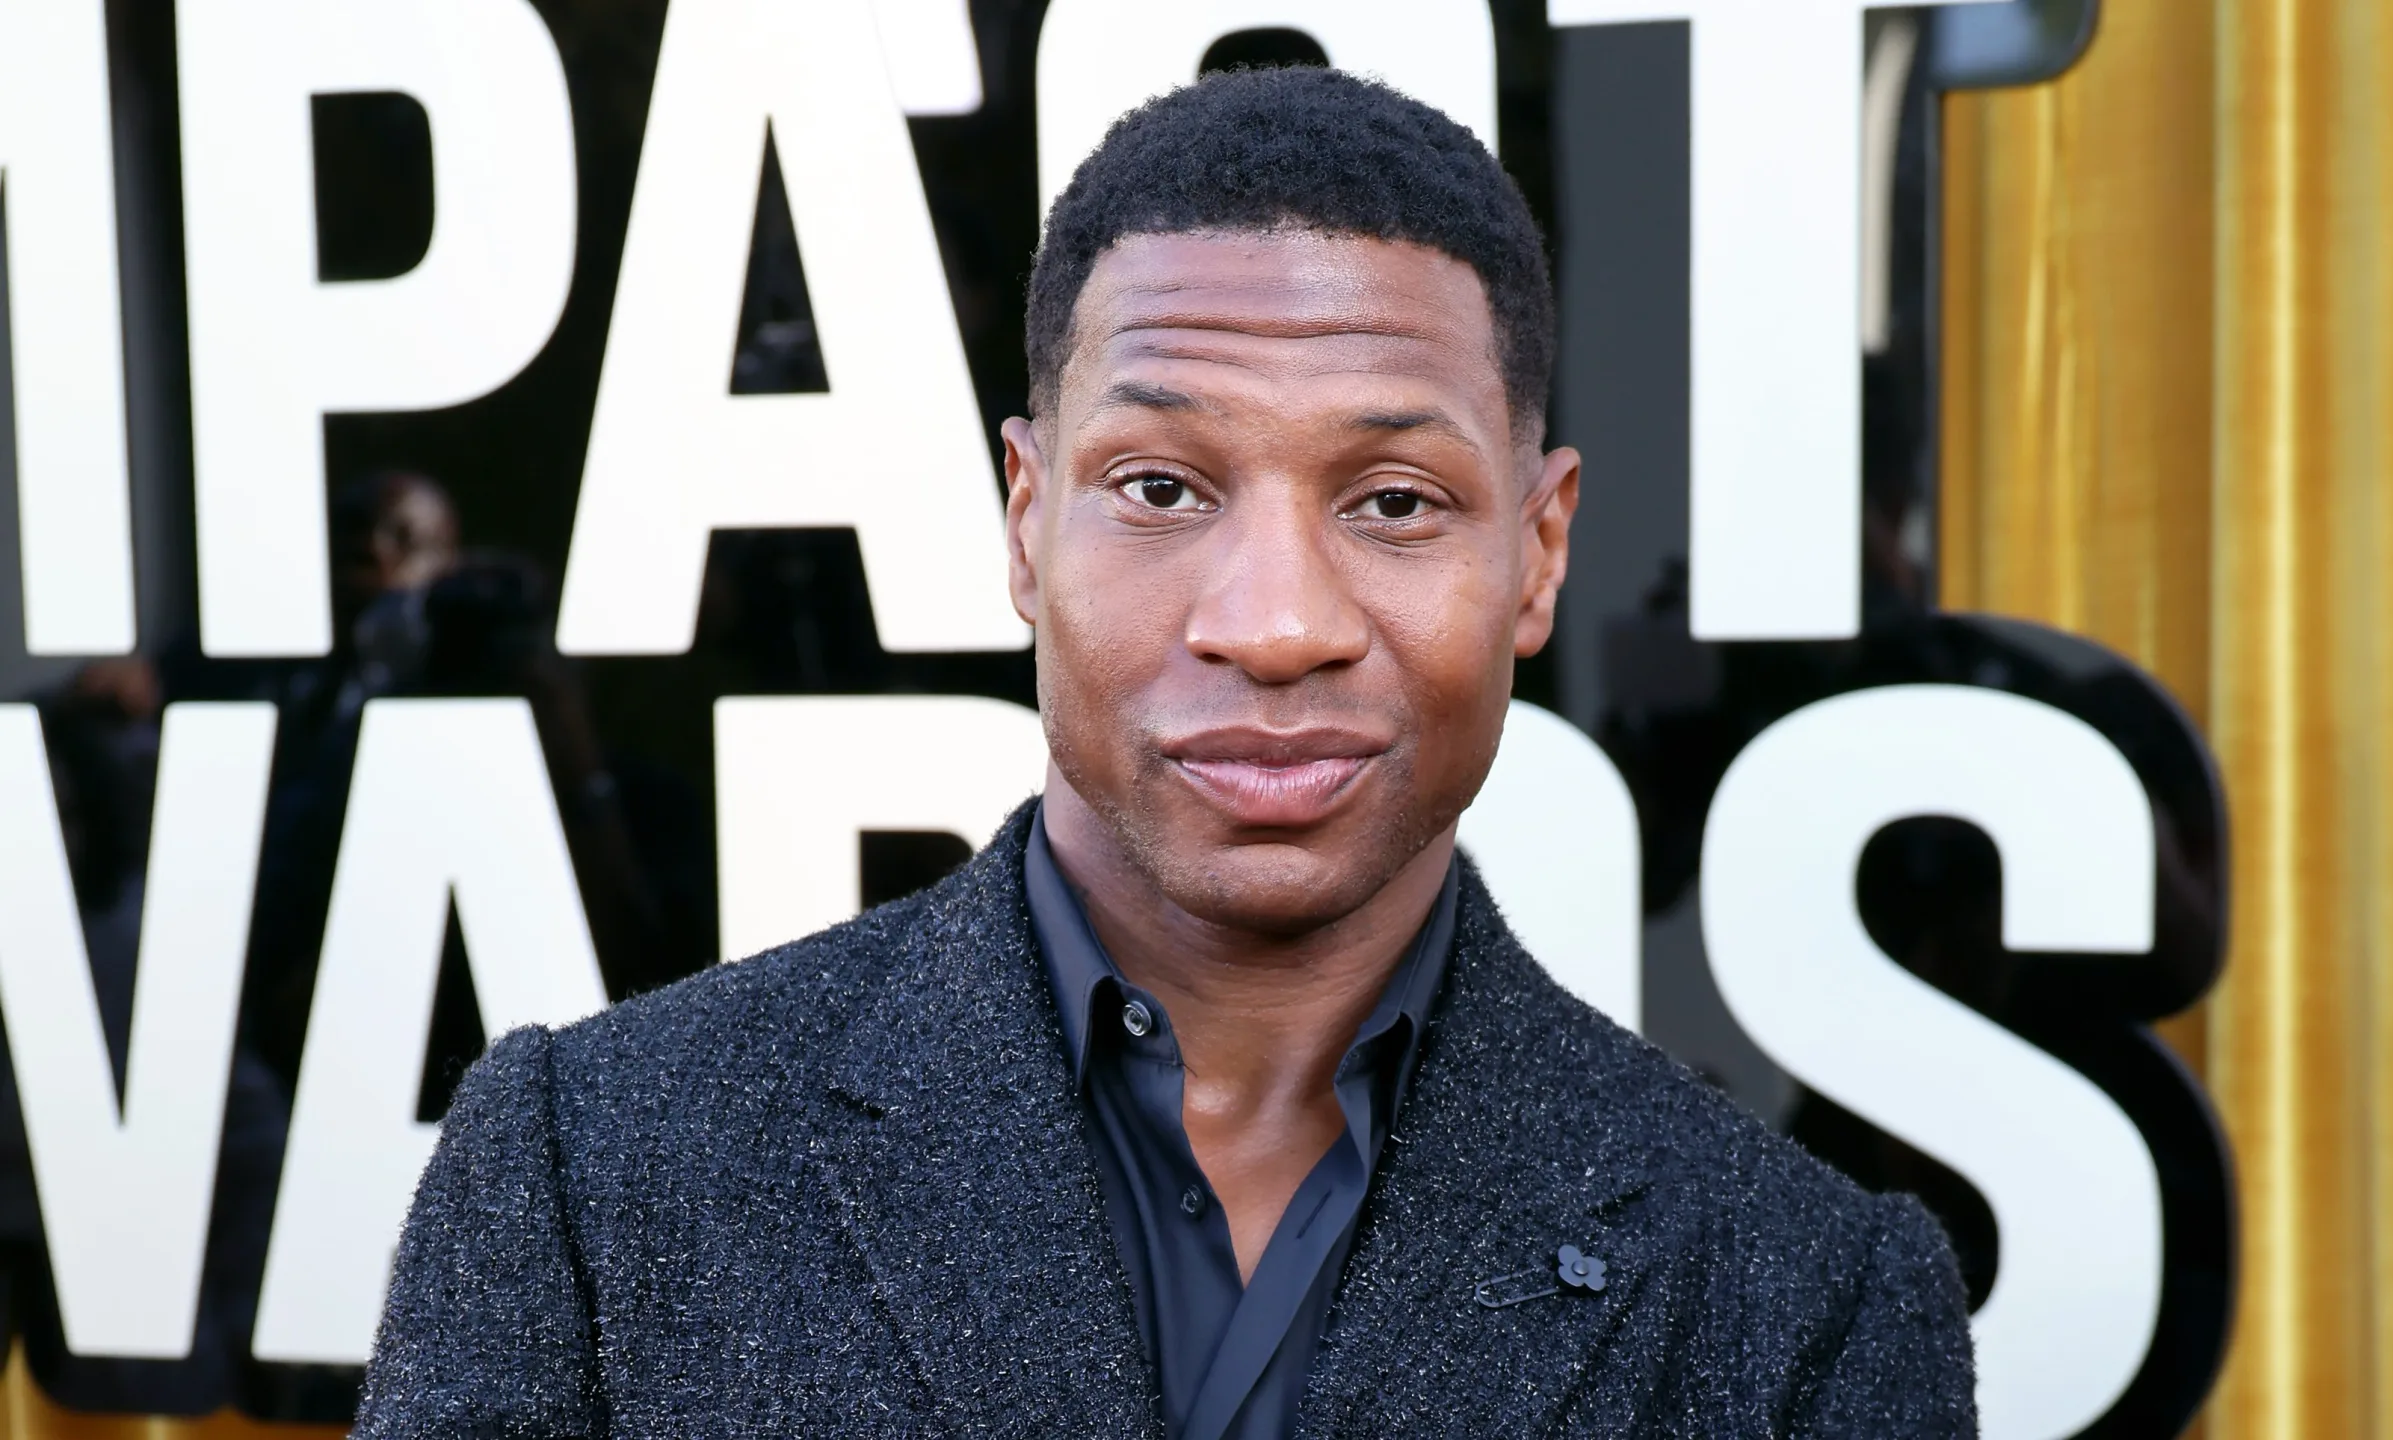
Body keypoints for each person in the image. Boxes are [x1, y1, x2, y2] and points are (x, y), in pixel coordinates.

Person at [354, 67, 1976, 1438]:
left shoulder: (1809, 1302)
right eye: (1161, 489)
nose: (1275, 625)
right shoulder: (591, 1178)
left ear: (1538, 555)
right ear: (1025, 523)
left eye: (1393, 501)